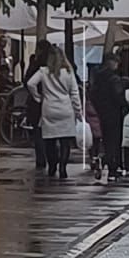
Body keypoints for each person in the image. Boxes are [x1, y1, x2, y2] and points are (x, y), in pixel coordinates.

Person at [27, 47, 81, 179]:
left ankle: (52, 165)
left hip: (48, 107)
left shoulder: (44, 71)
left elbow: (30, 83)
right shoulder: (68, 72)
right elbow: (74, 93)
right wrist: (78, 111)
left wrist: (37, 97)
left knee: (49, 140)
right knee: (65, 141)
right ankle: (63, 167)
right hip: (65, 108)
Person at [89, 49, 129, 184]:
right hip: (114, 113)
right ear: (111, 63)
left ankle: (106, 161)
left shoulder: (97, 78)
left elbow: (92, 94)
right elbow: (118, 96)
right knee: (114, 141)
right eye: (116, 62)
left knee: (106, 140)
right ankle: (111, 166)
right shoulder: (114, 79)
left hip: (102, 112)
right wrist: (124, 105)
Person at [21, 40, 52, 175]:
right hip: (51, 101)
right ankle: (52, 159)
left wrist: (36, 96)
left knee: (38, 131)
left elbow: (28, 82)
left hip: (36, 102)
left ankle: (41, 159)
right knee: (50, 132)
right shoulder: (53, 65)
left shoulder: (36, 64)